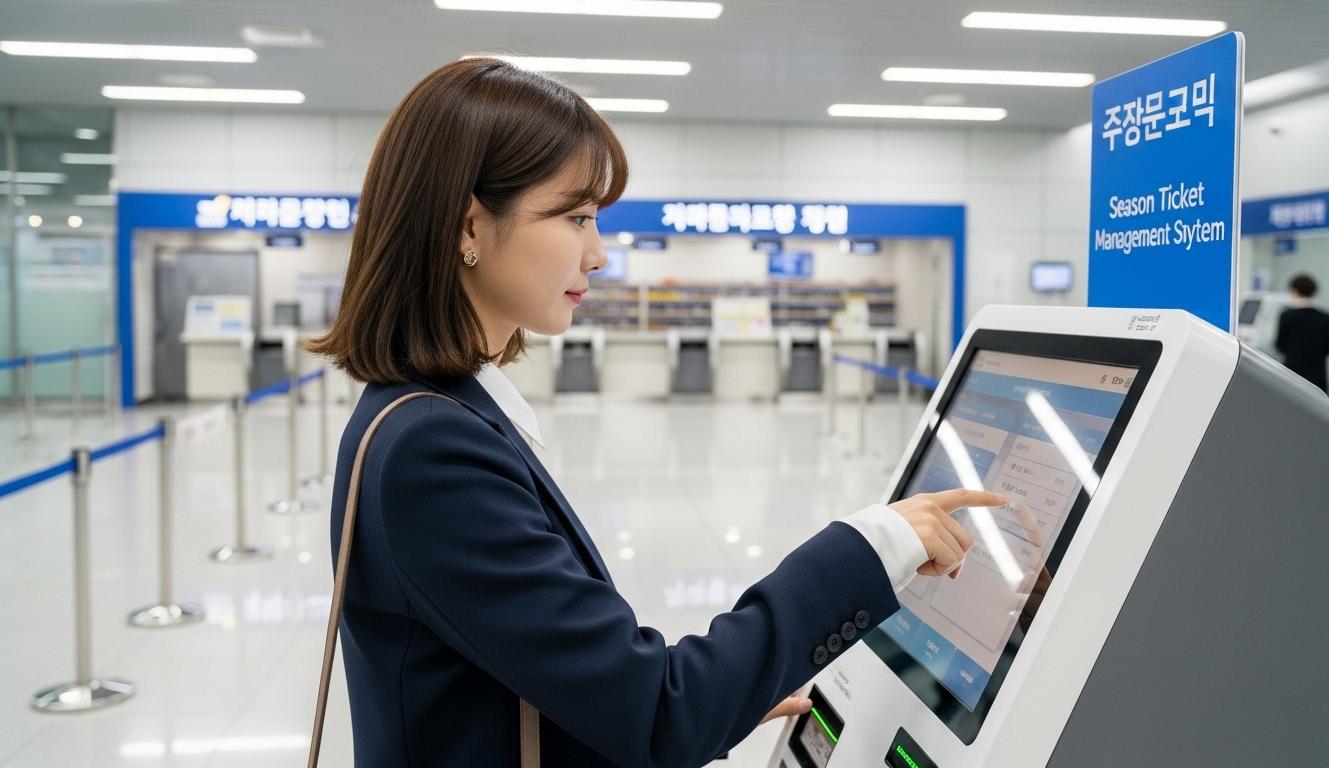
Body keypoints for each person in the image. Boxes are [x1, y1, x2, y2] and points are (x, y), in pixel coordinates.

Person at [307, 58, 1003, 767]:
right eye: (575, 216)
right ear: (469, 225)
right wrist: (869, 545)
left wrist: (728, 692)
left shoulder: (427, 413)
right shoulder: (434, 450)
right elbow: (658, 716)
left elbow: (532, 676)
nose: (600, 253)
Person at [1274, 274, 1329, 392]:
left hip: (1292, 374)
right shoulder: (1326, 317)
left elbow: (1280, 345)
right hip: (1318, 377)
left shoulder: (1287, 316)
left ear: (1295, 291)